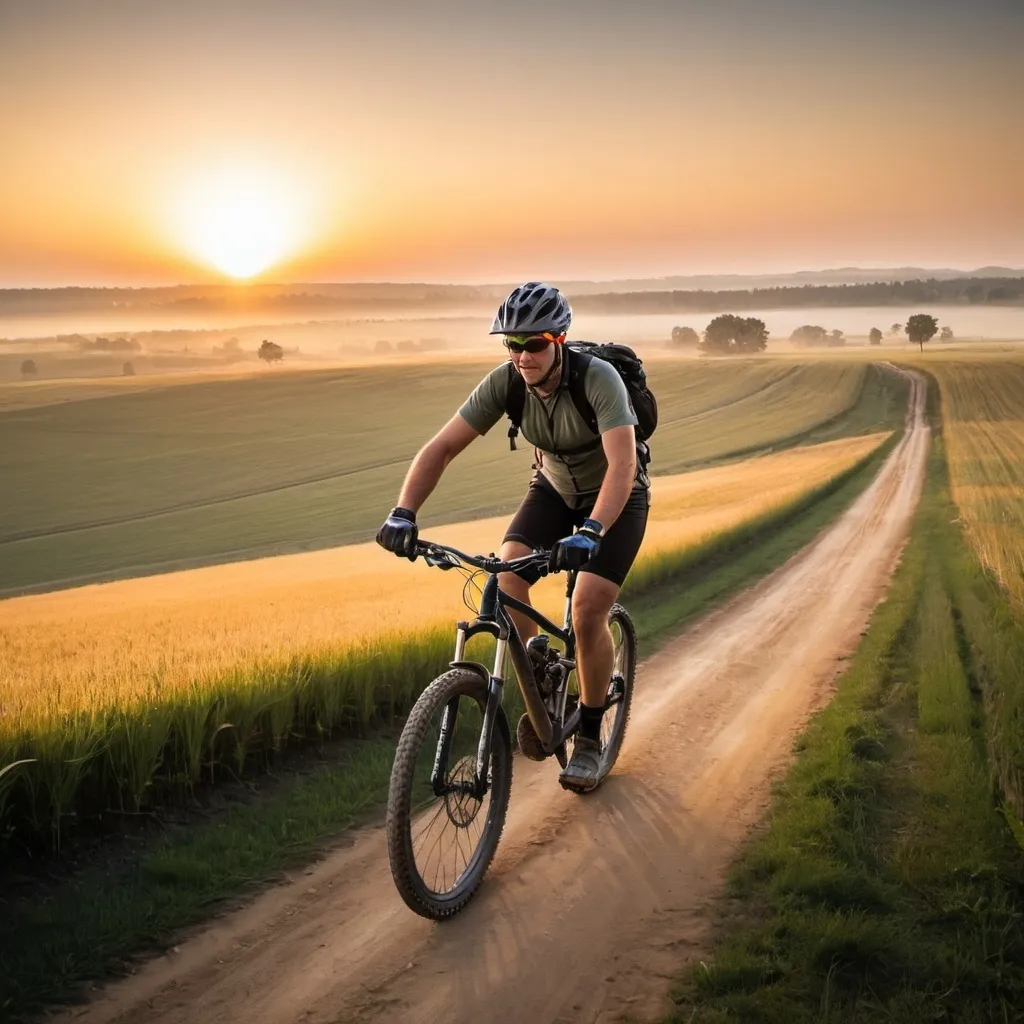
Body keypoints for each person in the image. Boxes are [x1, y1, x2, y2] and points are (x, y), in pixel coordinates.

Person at [375, 281, 650, 791]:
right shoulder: (505, 383)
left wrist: (592, 530)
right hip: (552, 489)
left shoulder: (599, 380)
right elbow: (441, 448)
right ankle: (545, 666)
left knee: (587, 607)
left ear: (560, 339)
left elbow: (622, 464)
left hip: (617, 497)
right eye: (511, 343)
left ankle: (588, 741)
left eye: (534, 343)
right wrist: (403, 513)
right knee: (507, 575)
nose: (521, 355)